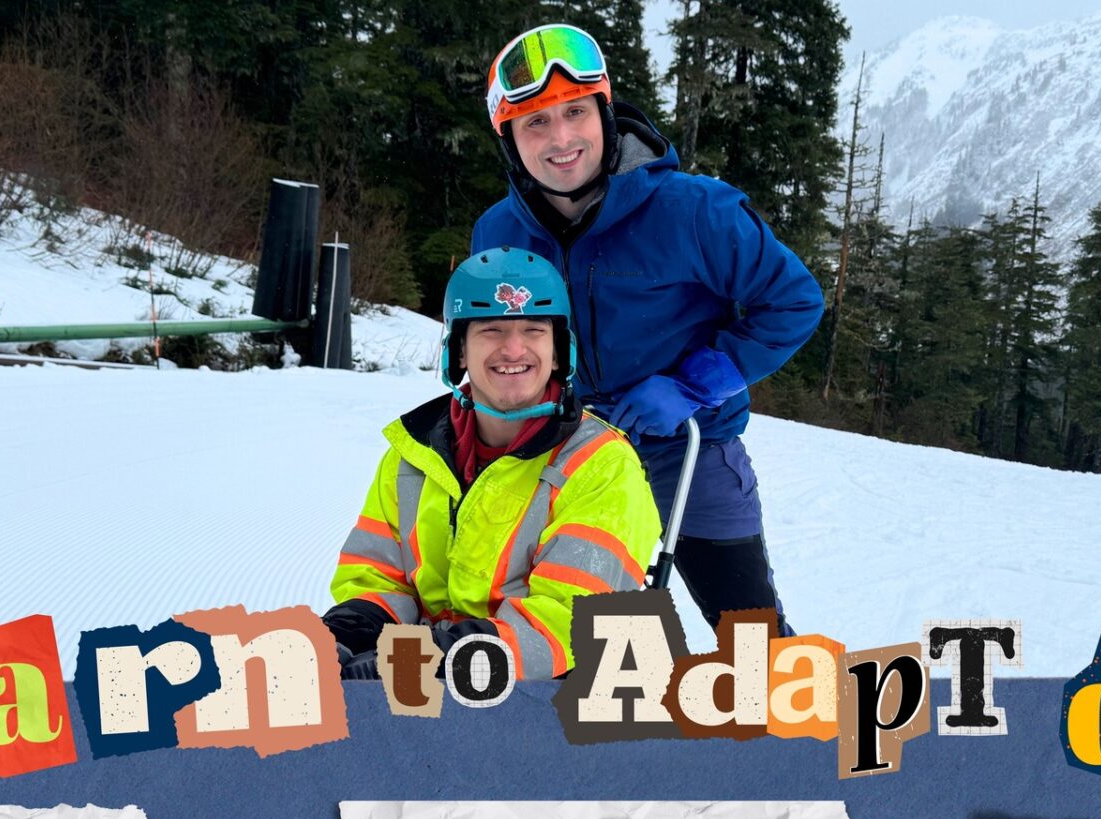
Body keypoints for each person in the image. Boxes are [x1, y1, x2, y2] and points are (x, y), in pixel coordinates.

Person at [471, 23, 824, 636]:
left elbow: (793, 301)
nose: (560, 139)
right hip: (567, 451)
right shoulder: (498, 232)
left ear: (604, 113)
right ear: (510, 140)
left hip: (688, 446)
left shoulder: (696, 211)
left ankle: (802, 723)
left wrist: (690, 385)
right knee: (568, 631)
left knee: (753, 636)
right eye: (534, 123)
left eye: (574, 113)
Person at [322, 247, 661, 679]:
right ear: (459, 350)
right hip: (429, 684)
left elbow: (571, 621)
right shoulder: (411, 455)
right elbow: (379, 577)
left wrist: (438, 656)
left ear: (559, 352)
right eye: (492, 329)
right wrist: (350, 631)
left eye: (534, 330)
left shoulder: (602, 466)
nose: (513, 348)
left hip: (545, 696)